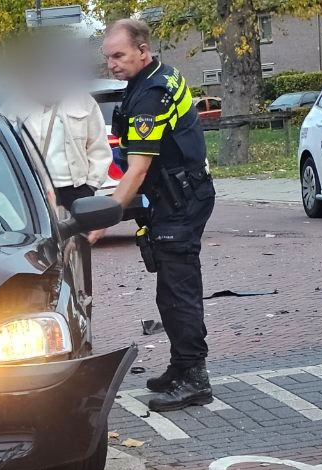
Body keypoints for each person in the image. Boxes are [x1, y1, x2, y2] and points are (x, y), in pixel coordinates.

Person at [103, 18, 215, 413]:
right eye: (108, 57)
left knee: (178, 292)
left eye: (119, 55)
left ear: (142, 51)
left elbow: (137, 170)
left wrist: (101, 221)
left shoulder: (151, 94)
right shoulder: (155, 77)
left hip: (178, 202)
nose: (112, 64)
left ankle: (195, 378)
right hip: (180, 196)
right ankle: (181, 366)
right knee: (170, 290)